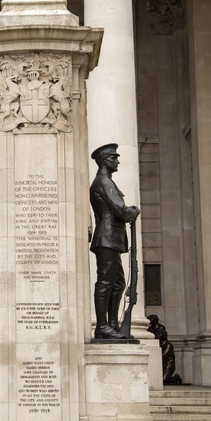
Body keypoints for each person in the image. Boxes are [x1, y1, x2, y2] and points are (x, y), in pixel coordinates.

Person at [90, 143, 140, 340]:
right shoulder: (104, 182)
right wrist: (134, 211)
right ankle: (102, 326)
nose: (117, 161)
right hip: (107, 237)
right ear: (105, 161)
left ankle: (111, 324)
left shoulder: (107, 181)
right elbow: (120, 210)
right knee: (106, 281)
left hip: (111, 237)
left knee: (117, 282)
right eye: (114, 158)